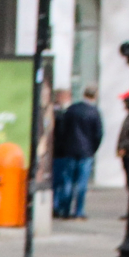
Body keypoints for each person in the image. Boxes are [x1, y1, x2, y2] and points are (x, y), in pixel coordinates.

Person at [51, 84, 103, 219]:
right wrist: (93, 149)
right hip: (86, 152)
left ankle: (65, 209)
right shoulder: (94, 112)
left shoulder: (72, 110)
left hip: (70, 150)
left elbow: (62, 131)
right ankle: (78, 211)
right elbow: (98, 134)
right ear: (95, 96)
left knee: (67, 181)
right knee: (81, 183)